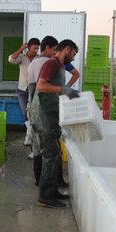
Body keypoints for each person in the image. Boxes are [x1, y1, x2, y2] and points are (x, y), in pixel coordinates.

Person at [34, 39, 80, 208]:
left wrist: (66, 94)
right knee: (50, 155)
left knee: (55, 156)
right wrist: (63, 90)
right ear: (66, 49)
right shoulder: (51, 64)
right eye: (73, 54)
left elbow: (54, 88)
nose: (74, 58)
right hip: (45, 116)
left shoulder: (59, 66)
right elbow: (41, 86)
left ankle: (52, 191)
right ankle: (45, 196)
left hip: (53, 115)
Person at [27, 36, 72, 188]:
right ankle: (47, 185)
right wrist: (64, 91)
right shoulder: (47, 63)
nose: (55, 52)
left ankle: (46, 182)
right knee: (48, 150)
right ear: (49, 48)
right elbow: (41, 87)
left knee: (45, 148)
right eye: (54, 48)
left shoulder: (41, 63)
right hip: (42, 111)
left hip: (42, 110)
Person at [8, 38, 40, 147]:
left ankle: (29, 136)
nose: (36, 50)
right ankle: (29, 133)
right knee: (24, 112)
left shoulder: (38, 59)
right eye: (34, 48)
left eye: (38, 48)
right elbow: (11, 59)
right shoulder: (21, 57)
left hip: (34, 89)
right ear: (29, 47)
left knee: (33, 112)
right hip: (22, 89)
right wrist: (21, 48)